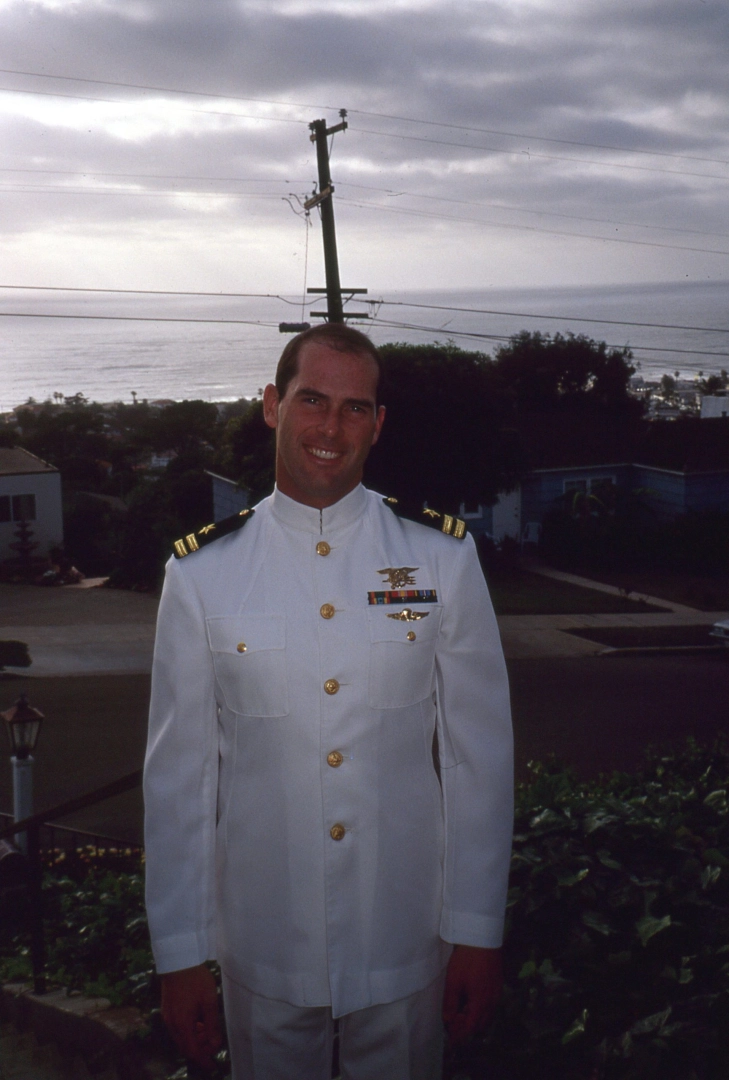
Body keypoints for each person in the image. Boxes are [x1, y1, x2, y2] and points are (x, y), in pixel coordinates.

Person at [143, 324, 513, 1080]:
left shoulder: (439, 557)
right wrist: (180, 954)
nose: (330, 427)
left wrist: (477, 931)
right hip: (263, 941)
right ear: (273, 406)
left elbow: (481, 757)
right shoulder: (203, 574)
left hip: (404, 933)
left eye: (353, 408)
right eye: (312, 400)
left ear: (377, 426)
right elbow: (180, 779)